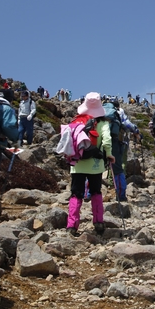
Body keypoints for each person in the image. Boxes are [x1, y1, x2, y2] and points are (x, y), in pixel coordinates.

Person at [66, 93, 114, 236]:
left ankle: (72, 226)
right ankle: (98, 222)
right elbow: (106, 141)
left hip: (77, 163)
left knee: (76, 193)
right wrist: (109, 154)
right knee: (96, 191)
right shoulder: (103, 123)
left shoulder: (76, 121)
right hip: (95, 164)